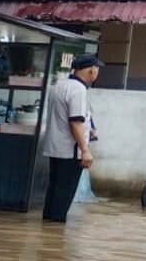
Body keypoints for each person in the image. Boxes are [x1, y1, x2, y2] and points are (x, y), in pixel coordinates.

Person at [41, 54, 103, 223]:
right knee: (65, 191)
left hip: (55, 147)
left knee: (54, 188)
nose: (97, 72)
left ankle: (48, 227)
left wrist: (90, 130)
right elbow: (75, 122)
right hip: (70, 149)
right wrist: (85, 150)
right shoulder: (78, 90)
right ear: (91, 70)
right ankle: (55, 230)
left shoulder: (59, 86)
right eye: (96, 69)